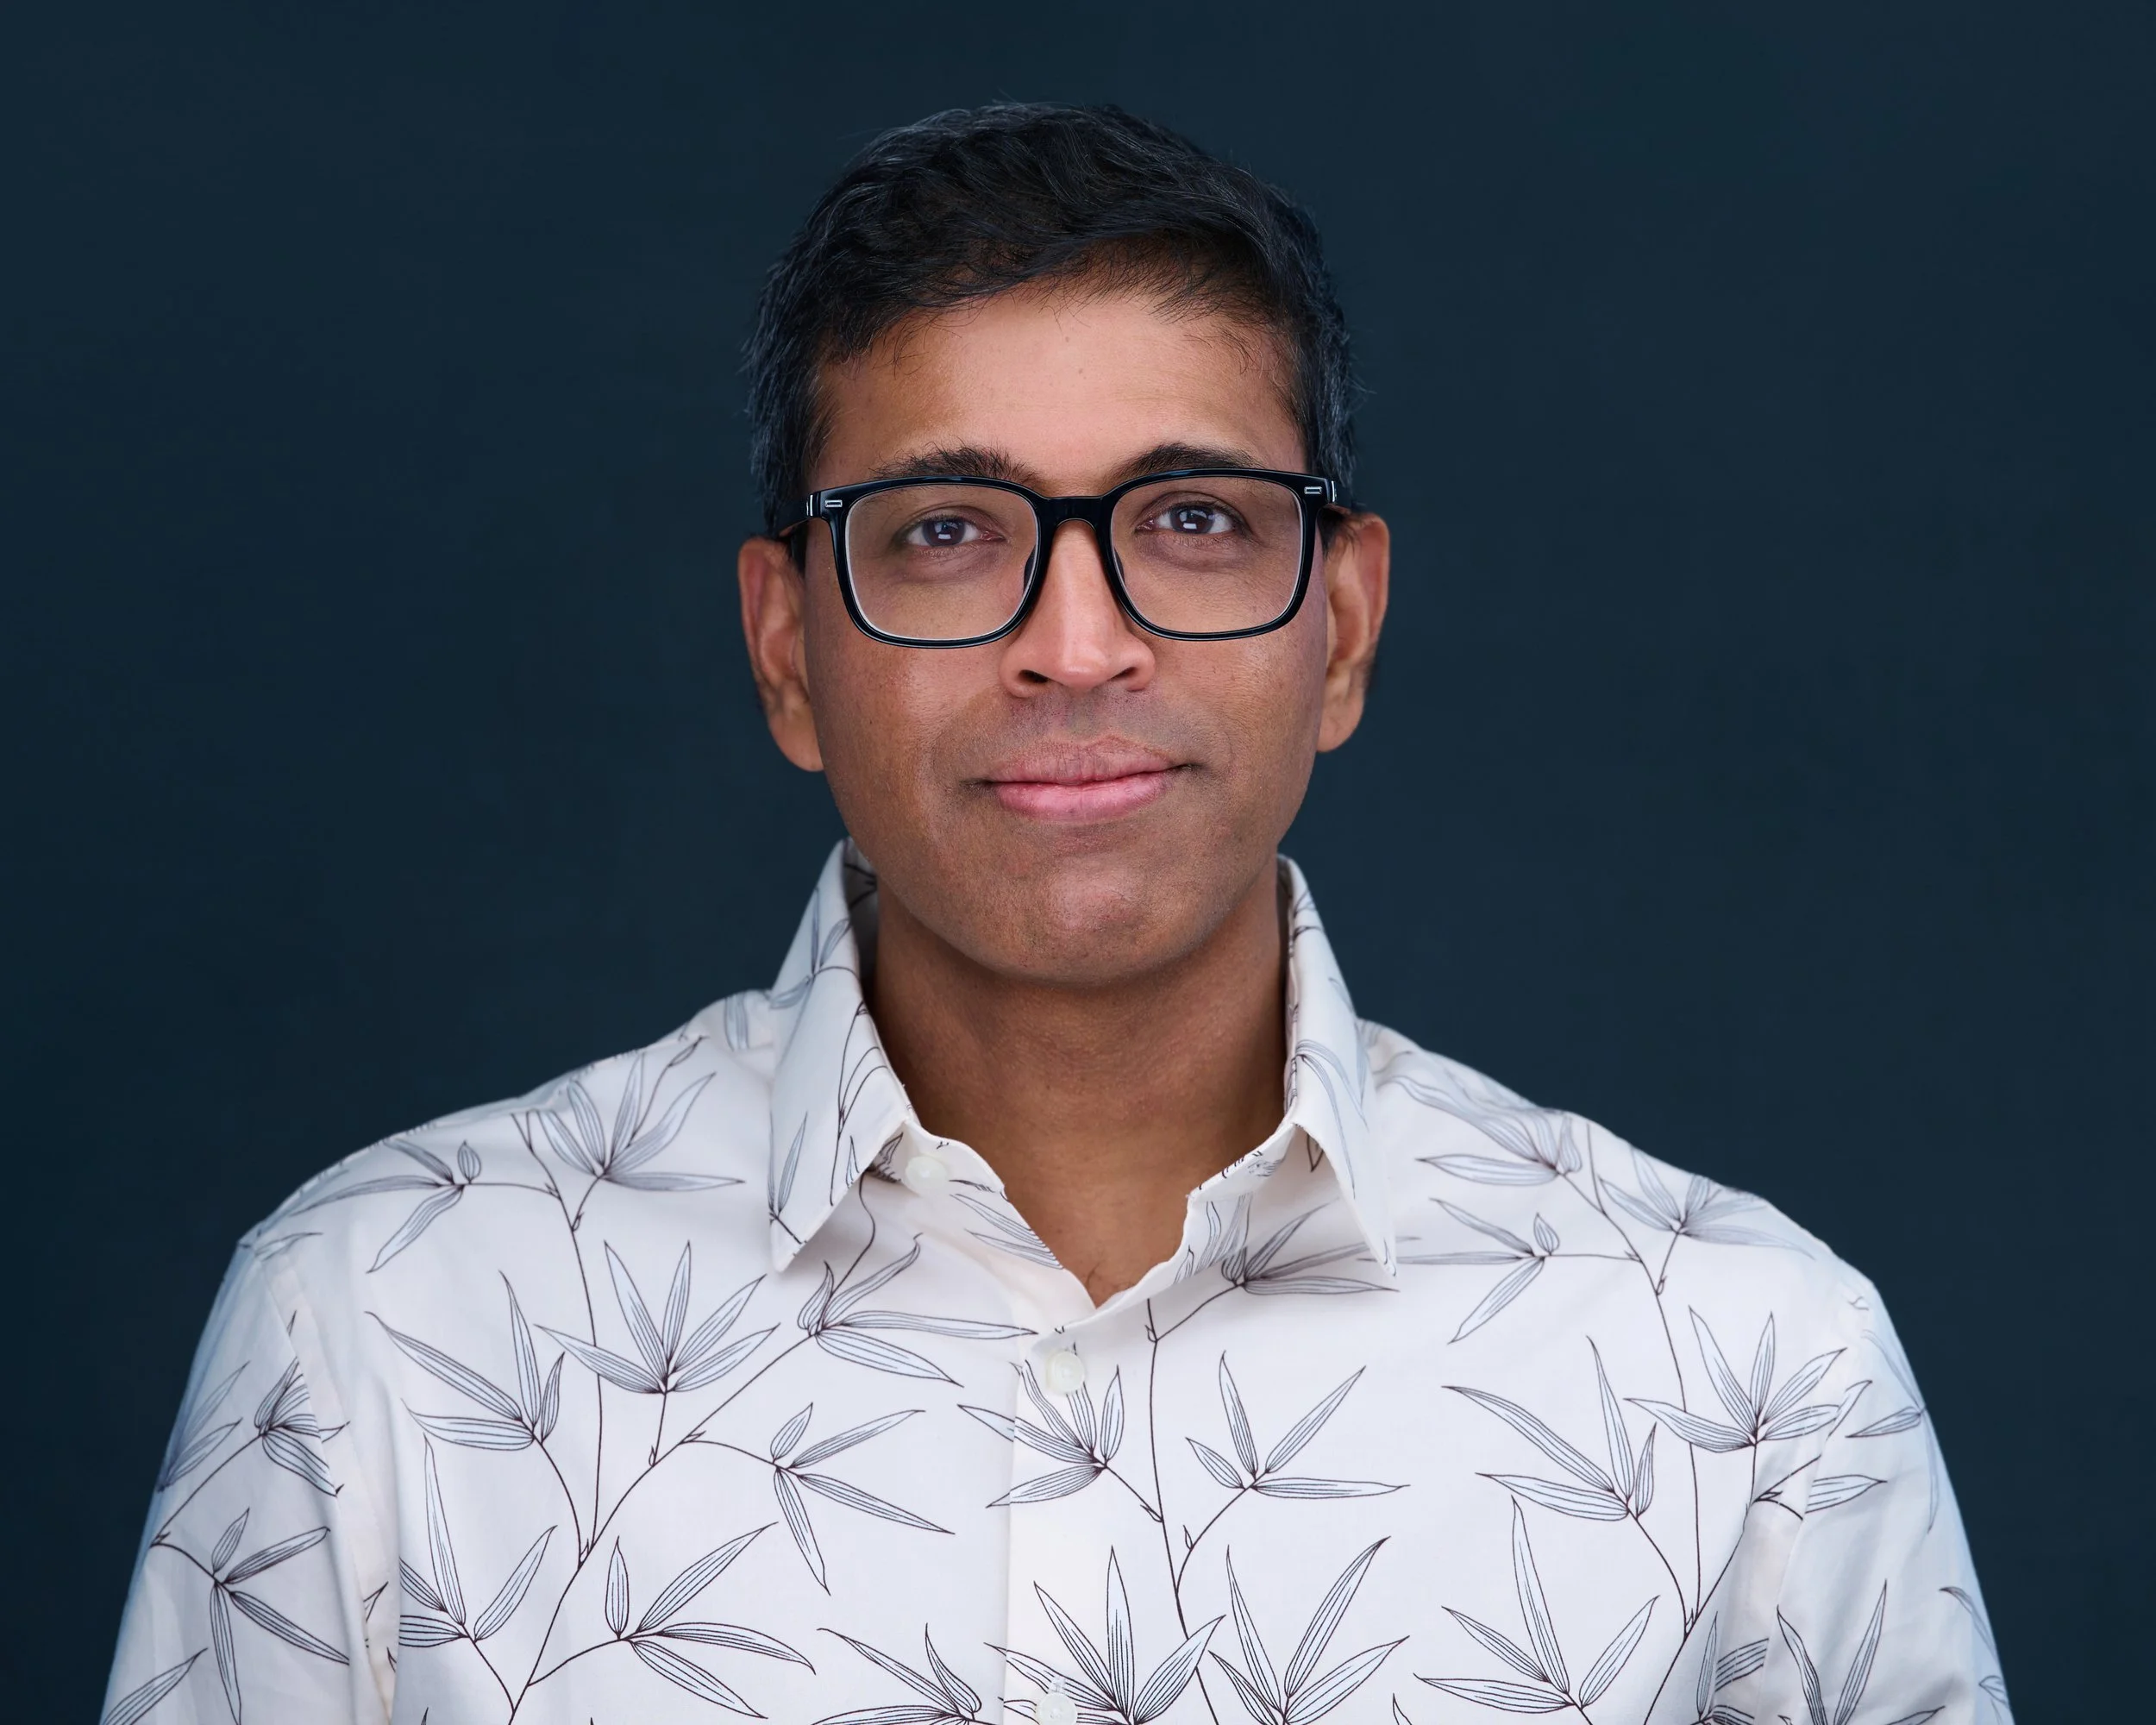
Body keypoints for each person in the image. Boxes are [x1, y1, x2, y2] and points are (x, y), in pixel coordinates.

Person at [103, 104, 2006, 1725]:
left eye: (1190, 519)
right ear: (784, 650)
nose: (1075, 644)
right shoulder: (376, 1336)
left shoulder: (1745, 1379)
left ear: (1338, 625)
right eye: (945, 533)